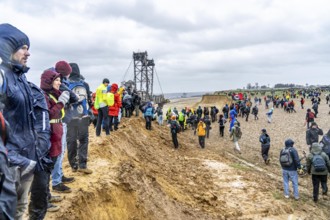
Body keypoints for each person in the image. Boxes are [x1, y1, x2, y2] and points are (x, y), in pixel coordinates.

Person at [0, 23, 37, 219]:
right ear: (6, 46)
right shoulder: (2, 77)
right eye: (23, 47)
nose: (28, 53)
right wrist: (16, 160)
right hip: (9, 166)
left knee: (20, 212)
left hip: (26, 163)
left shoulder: (21, 78)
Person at [67, 63, 92, 174]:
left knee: (71, 140)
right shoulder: (85, 84)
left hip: (71, 117)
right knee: (83, 140)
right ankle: (83, 165)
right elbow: (89, 100)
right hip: (84, 117)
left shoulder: (65, 83)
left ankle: (73, 165)